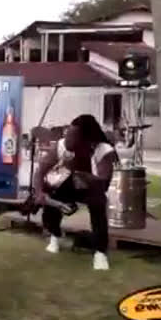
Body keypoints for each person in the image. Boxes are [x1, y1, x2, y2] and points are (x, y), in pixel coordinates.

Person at [33, 114, 118, 270]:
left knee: (98, 202)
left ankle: (100, 252)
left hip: (94, 187)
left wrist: (83, 175)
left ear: (86, 138)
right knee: (52, 190)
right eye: (67, 134)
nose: (68, 139)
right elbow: (39, 172)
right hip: (71, 183)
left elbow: (104, 184)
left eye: (73, 136)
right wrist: (39, 193)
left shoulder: (103, 150)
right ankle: (55, 235)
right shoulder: (60, 146)